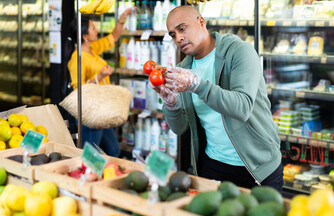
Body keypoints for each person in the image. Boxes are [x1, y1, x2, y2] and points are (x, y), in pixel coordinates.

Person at [153, 5, 283, 192]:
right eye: (173, 35)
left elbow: (242, 107)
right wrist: (170, 103)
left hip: (257, 166)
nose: (178, 38)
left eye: (182, 29)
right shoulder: (184, 68)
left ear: (201, 22)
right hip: (212, 165)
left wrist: (196, 85)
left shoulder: (240, 51)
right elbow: (180, 128)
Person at [65, 9, 132, 157]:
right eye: (93, 28)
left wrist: (122, 19)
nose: (96, 29)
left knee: (113, 149)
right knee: (90, 153)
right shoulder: (77, 59)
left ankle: (106, 176)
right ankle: (87, 177)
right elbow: (79, 90)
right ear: (85, 36)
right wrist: (100, 76)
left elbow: (114, 37)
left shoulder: (92, 49)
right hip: (88, 112)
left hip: (101, 109)